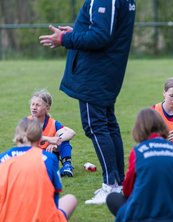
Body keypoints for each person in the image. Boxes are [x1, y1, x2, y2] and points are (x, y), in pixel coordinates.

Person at [39, 0, 136, 204]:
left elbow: (101, 36)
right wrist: (77, 31)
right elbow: (105, 29)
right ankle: (119, 183)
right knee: (108, 123)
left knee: (97, 125)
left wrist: (65, 38)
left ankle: (112, 186)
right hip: (105, 71)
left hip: (96, 73)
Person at [0, 118, 77, 222]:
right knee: (71, 199)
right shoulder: (49, 158)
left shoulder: (2, 158)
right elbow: (55, 195)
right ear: (40, 138)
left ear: (17, 134)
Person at [29, 89, 76, 177]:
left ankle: (67, 166)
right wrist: (50, 140)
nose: (34, 107)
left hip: (49, 154)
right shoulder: (26, 122)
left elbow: (71, 132)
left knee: (64, 139)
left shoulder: (53, 123)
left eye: (38, 105)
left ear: (47, 108)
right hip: (33, 156)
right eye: (32, 104)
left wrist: (57, 141)